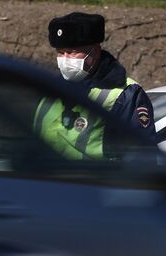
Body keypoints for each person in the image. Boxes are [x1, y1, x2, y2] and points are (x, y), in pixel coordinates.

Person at [33, 12, 157, 160]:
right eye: (60, 53)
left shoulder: (126, 95)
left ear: (96, 51)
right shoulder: (51, 86)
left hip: (94, 182)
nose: (65, 59)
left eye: (72, 52)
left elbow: (141, 159)